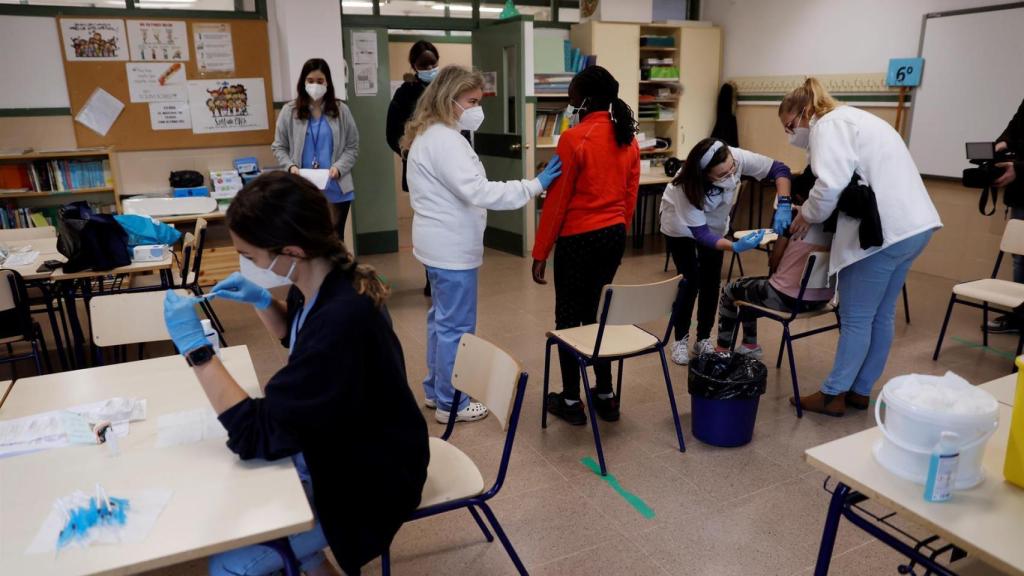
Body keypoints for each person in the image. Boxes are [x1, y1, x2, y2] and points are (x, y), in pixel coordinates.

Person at [162, 171, 429, 576]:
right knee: (231, 499)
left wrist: (196, 350)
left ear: (290, 250)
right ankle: (305, 556)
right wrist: (262, 300)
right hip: (353, 440)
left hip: (372, 478)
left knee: (228, 565)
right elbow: (298, 335)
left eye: (251, 257)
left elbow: (254, 434)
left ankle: (301, 551)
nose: (249, 265)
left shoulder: (342, 319)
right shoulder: (322, 277)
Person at [402, 65, 562, 424]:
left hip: (438, 245)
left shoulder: (433, 134)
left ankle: (435, 391)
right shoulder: (445, 140)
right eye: (471, 101)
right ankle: (450, 403)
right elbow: (479, 191)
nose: (476, 108)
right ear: (449, 99)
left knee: (441, 323)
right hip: (450, 249)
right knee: (455, 328)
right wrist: (533, 185)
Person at [779, 77, 941, 416]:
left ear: (806, 111)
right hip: (915, 227)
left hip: (883, 235)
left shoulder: (828, 124)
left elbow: (830, 184)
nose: (791, 135)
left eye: (790, 126)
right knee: (881, 315)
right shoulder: (858, 119)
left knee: (856, 317)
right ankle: (860, 390)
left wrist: (806, 215)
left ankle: (832, 394)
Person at [530, 65, 640, 426]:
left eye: (572, 98)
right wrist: (618, 232)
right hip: (612, 236)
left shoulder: (574, 138)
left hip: (577, 238)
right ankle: (606, 395)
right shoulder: (628, 137)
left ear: (586, 99)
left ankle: (572, 399)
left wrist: (540, 251)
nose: (569, 103)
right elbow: (630, 196)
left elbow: (558, 202)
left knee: (568, 316)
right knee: (596, 314)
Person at [659, 137, 793, 366]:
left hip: (715, 225)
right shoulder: (684, 187)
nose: (731, 176)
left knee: (711, 281)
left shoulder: (734, 157)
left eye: (733, 169)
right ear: (705, 176)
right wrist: (734, 246)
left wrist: (784, 203)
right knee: (690, 281)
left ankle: (703, 338)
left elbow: (779, 169)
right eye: (722, 175)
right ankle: (680, 339)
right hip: (679, 227)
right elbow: (701, 234)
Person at [715, 202, 834, 357]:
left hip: (787, 299)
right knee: (749, 288)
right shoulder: (838, 220)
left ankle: (722, 351)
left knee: (731, 289)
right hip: (821, 301)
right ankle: (748, 346)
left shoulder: (795, 216)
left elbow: (774, 261)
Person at [272, 58, 359, 240]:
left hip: (336, 188)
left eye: (320, 81)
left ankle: (334, 269)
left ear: (327, 83)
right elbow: (279, 146)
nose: (315, 85)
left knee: (335, 240)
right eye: (310, 81)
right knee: (308, 240)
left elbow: (352, 147)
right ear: (303, 82)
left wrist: (339, 167)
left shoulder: (341, 110)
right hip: (303, 189)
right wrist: (290, 167)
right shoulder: (290, 111)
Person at [387, 40, 440, 297]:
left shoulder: (445, 88)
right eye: (423, 65)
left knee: (444, 223)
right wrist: (411, 153)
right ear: (414, 66)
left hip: (445, 168)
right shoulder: (405, 93)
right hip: (419, 170)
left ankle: (442, 272)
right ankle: (431, 276)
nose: (430, 68)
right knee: (428, 224)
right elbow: (391, 133)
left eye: (433, 63)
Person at [984, 97, 1023, 333]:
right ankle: (1019, 315)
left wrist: (1019, 168)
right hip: (1021, 194)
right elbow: (1015, 125)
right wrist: (1001, 144)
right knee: (1019, 258)